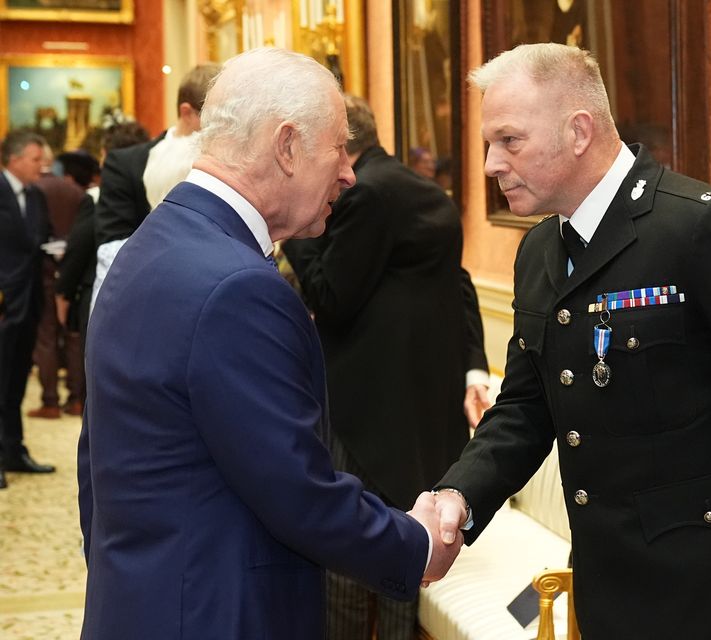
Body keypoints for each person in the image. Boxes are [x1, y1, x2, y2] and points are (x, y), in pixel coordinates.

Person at [430, 42, 711, 639]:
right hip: (606, 591)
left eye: (509, 141)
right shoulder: (540, 252)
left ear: (579, 131)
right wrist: (458, 496)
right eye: (490, 143)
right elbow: (525, 407)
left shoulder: (704, 229)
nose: (491, 163)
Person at [78, 48, 461, 640]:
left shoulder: (152, 246)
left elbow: (95, 464)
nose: (349, 172)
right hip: (219, 615)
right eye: (338, 146)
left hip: (148, 602)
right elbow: (296, 489)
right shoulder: (236, 286)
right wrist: (414, 544)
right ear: (286, 146)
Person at [283, 94, 490, 640]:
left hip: (367, 403)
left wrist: (297, 229)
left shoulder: (366, 194)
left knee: (349, 555)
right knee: (401, 539)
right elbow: (457, 284)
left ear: (341, 141)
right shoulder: (416, 186)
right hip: (417, 399)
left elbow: (331, 295)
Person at [91, 63, 220, 312]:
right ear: (187, 112)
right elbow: (112, 244)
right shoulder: (126, 163)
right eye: (216, 117)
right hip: (141, 298)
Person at [55, 125, 150, 351]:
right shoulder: (157, 188)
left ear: (108, 155)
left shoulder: (98, 197)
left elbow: (79, 246)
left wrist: (63, 292)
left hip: (103, 294)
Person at [0, 131, 56, 490]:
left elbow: (39, 238)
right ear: (15, 158)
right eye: (36, 159)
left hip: (29, 301)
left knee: (16, 381)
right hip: (4, 302)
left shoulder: (36, 195)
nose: (42, 166)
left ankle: (13, 450)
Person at [27, 150, 99, 419]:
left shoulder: (35, 189)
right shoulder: (78, 193)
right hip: (74, 273)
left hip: (43, 270)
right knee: (73, 338)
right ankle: (77, 398)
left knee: (45, 338)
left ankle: (50, 401)